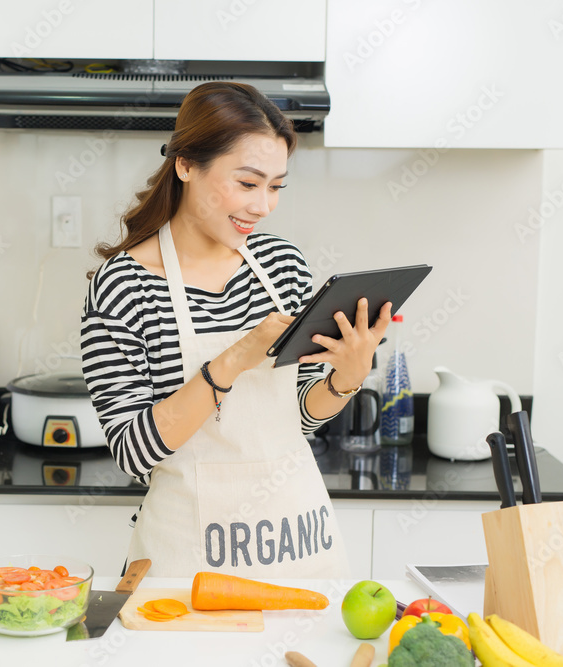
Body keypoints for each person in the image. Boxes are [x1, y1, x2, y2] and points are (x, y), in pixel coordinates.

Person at [80, 82, 392, 578]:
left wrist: (346, 378)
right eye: (248, 184)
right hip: (184, 566)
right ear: (185, 165)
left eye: (276, 187)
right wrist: (232, 360)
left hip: (299, 548)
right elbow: (133, 452)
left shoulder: (282, 263)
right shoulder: (123, 287)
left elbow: (300, 416)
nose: (263, 206)